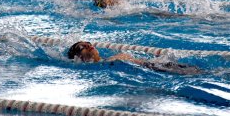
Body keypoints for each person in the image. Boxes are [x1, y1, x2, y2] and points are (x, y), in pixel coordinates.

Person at [67, 41, 202, 75]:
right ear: (79, 58)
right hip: (158, 70)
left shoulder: (109, 60)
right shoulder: (105, 65)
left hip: (158, 66)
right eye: (81, 47)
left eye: (88, 43)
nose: (88, 45)